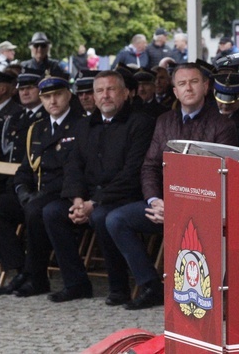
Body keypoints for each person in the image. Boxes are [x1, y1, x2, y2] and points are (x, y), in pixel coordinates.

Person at [106, 62, 237, 310]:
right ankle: (151, 285)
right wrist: (155, 200)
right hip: (164, 205)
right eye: (182, 83)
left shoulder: (222, 125)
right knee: (116, 219)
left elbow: (221, 176)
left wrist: (178, 205)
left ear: (206, 86)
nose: (188, 88)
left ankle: (199, 292)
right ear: (174, 91)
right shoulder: (165, 120)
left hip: (205, 207)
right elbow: (150, 166)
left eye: (194, 82)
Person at [43, 70, 155, 304]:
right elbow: (73, 166)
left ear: (125, 93)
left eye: (111, 89)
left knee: (103, 216)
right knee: (52, 212)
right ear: (93, 97)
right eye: (99, 91)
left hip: (124, 196)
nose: (105, 95)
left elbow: (132, 173)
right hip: (89, 197)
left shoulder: (140, 122)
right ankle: (76, 283)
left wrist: (93, 203)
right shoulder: (84, 125)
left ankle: (119, 287)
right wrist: (76, 201)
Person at [0, 72, 81, 297]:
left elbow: (75, 171)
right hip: (35, 194)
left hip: (61, 194)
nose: (52, 101)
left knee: (37, 210)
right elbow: (25, 168)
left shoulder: (80, 125)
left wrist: (41, 194)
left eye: (57, 95)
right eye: (47, 97)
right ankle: (21, 269)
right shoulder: (37, 128)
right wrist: (21, 189)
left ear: (68, 95)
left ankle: (37, 278)